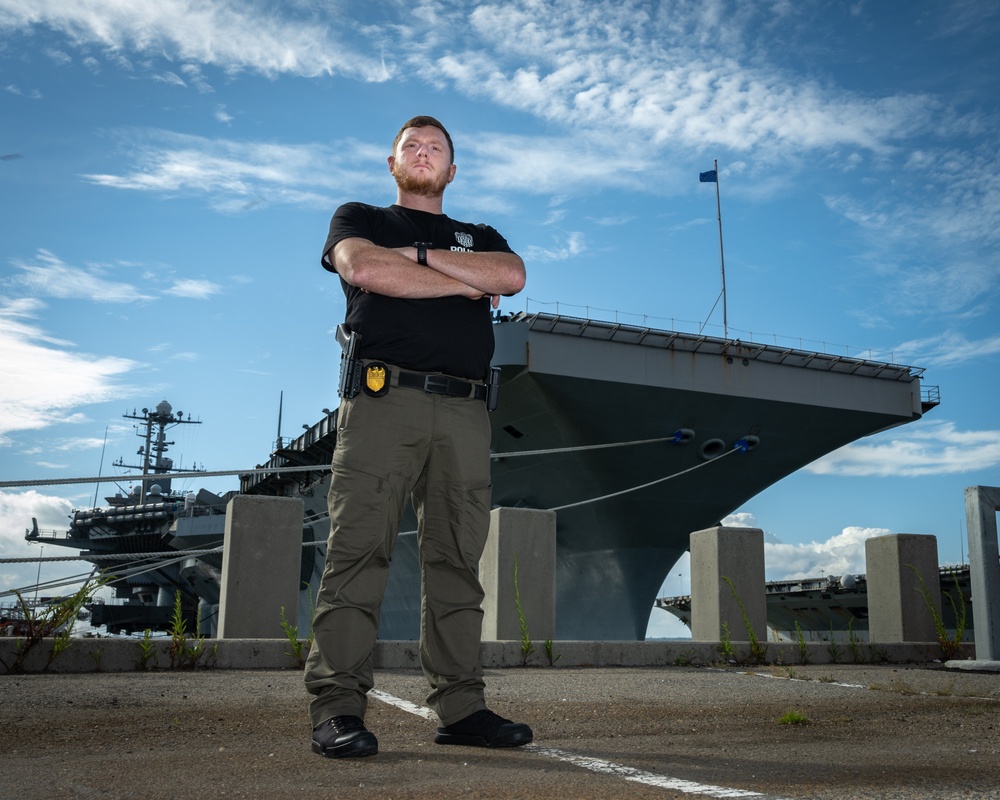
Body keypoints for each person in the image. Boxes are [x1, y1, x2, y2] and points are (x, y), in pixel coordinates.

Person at [304, 115, 531, 759]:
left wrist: (423, 259)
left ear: (452, 170)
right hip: (383, 398)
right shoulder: (360, 218)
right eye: (412, 146)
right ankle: (338, 708)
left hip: (465, 410)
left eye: (436, 148)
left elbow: (511, 275)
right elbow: (365, 270)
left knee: (457, 559)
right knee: (358, 552)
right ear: (392, 162)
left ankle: (462, 706)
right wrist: (464, 282)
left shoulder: (483, 235)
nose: (423, 153)